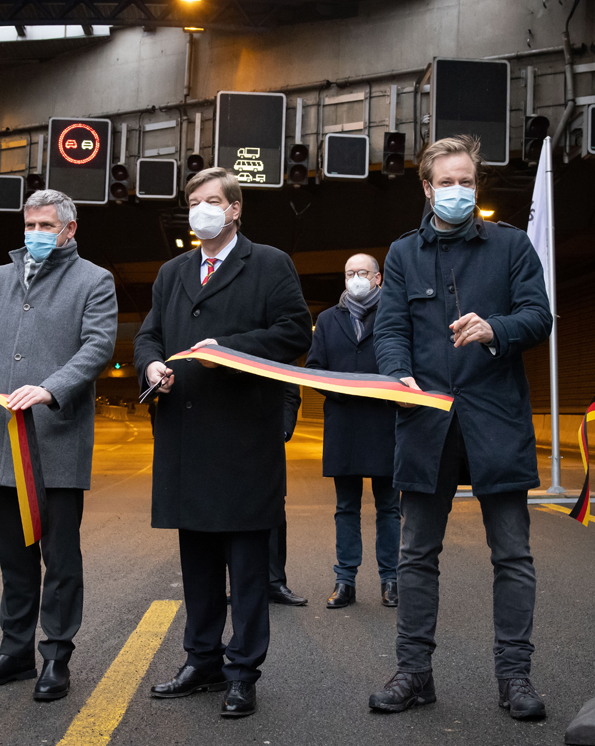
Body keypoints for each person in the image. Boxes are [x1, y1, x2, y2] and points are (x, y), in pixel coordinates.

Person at [368, 135, 552, 720]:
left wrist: (495, 327)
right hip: (426, 423)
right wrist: (398, 376)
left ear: (477, 186)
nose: (456, 191)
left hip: (496, 421)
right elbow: (390, 329)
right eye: (444, 182)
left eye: (465, 181)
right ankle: (414, 673)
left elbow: (538, 316)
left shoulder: (512, 246)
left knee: (513, 555)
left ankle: (515, 678)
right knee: (416, 553)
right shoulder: (402, 256)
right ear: (426, 188)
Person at [135, 167, 312, 718]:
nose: (202, 209)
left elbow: (295, 332)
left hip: (242, 442)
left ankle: (242, 672)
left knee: (248, 568)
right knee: (199, 565)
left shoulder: (269, 264)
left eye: (213, 200)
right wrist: (152, 366)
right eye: (194, 201)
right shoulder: (172, 271)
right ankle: (202, 660)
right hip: (186, 440)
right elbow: (147, 335)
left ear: (235, 210)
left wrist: (228, 349)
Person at [0, 189, 117, 701]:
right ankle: (14, 652)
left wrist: (52, 388)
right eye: (29, 224)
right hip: (2, 443)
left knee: (61, 558)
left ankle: (56, 656)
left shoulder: (94, 280)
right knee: (14, 558)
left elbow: (97, 346)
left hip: (58, 444)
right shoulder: (1, 279)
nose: (35, 234)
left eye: (46, 226)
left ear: (70, 230)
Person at [306, 254, 401, 610]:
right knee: (346, 507)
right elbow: (315, 368)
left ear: (378, 278)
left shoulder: (395, 313)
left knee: (389, 508)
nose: (356, 278)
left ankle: (390, 579)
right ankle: (345, 581)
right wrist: (342, 389)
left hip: (385, 423)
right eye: (349, 273)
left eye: (362, 272)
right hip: (344, 425)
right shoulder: (328, 320)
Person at [267, 384, 306, 606]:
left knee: (273, 509)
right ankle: (244, 583)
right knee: (235, 512)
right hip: (229, 439)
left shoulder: (277, 347)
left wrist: (281, 430)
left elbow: (290, 393)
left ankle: (274, 582)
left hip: (269, 438)